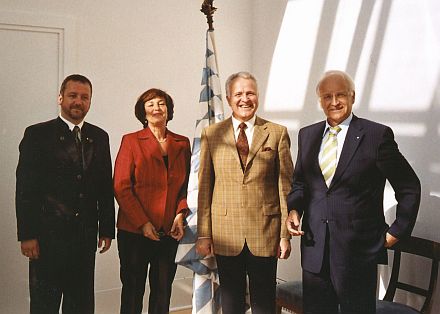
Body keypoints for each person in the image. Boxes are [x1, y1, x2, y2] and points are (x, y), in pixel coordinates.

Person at [286, 70, 421, 314]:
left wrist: (397, 231)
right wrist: (294, 209)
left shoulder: (376, 135)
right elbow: (301, 183)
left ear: (353, 96)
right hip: (315, 248)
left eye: (341, 95)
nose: (334, 102)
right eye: (327, 96)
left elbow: (409, 185)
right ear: (320, 101)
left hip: (358, 252)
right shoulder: (308, 135)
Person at [15, 74, 115, 314]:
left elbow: (104, 186)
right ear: (60, 98)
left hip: (84, 238)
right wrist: (27, 234)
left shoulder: (100, 137)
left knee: (80, 305)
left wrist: (106, 229)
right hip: (48, 238)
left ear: (90, 101)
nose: (78, 102)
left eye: (84, 97)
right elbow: (26, 189)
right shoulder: (37, 134)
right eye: (72, 96)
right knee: (44, 305)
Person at [196, 71, 294, 314]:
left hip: (265, 232)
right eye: (238, 94)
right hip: (225, 232)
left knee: (264, 302)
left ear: (258, 97)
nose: (245, 99)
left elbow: (285, 187)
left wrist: (284, 235)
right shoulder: (212, 134)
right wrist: (203, 234)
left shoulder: (276, 132)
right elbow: (205, 187)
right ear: (229, 99)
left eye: (250, 93)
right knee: (231, 301)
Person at [113, 88, 191, 314]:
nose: (157, 108)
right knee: (133, 291)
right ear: (143, 112)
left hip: (168, 231)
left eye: (161, 104)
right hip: (134, 232)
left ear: (168, 110)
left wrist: (180, 214)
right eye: (151, 105)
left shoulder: (182, 143)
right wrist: (143, 223)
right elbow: (121, 186)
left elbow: (187, 186)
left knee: (162, 292)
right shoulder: (131, 141)